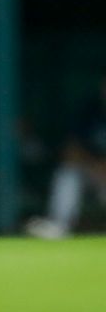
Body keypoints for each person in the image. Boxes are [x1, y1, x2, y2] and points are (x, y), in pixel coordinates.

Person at [26, 75, 106, 239]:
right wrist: (95, 165)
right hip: (91, 171)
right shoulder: (90, 110)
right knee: (67, 174)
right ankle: (58, 225)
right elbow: (70, 150)